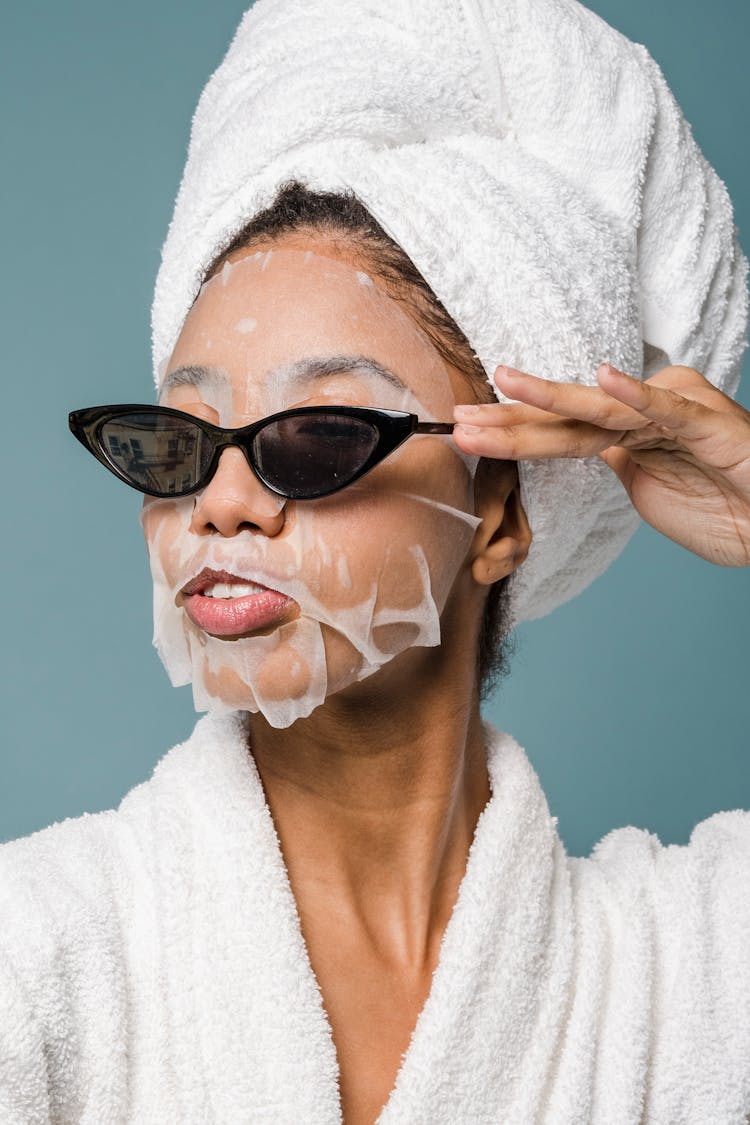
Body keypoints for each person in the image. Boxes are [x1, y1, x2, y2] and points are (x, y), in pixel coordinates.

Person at [2, 1, 750, 1123]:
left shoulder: (692, 973)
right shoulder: (36, 957)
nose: (222, 503)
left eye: (316, 436)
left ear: (496, 514)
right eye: (180, 442)